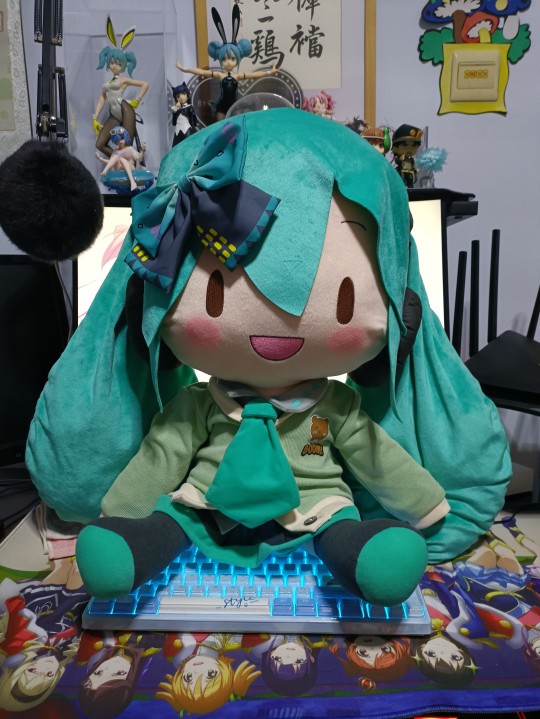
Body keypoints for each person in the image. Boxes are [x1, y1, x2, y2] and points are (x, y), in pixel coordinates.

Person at [176, 6, 277, 122]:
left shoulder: (237, 76)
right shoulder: (220, 75)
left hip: (235, 105)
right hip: (222, 106)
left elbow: (254, 75)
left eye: (232, 59)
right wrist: (185, 69)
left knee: (235, 125)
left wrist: (270, 72)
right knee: (221, 126)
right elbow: (202, 72)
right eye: (224, 59)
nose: (228, 62)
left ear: (238, 59)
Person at [93, 16, 149, 159]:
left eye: (118, 64)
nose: (114, 66)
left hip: (125, 111)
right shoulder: (107, 84)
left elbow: (145, 84)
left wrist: (137, 100)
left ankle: (131, 164)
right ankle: (119, 160)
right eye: (112, 63)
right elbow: (102, 99)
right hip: (114, 116)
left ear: (123, 65)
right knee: (100, 144)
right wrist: (95, 117)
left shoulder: (123, 80)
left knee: (128, 145)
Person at [96, 126, 146, 191]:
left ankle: (132, 182)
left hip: (131, 168)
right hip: (119, 170)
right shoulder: (115, 152)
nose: (120, 141)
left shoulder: (129, 149)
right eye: (117, 140)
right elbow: (111, 162)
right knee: (116, 157)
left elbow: (139, 158)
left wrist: (142, 150)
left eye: (122, 138)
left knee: (121, 159)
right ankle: (105, 171)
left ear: (125, 137)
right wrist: (101, 159)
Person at [171, 83, 198, 147]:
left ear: (187, 95)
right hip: (177, 131)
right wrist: (175, 112)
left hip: (187, 129)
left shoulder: (189, 107)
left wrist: (193, 130)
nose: (181, 97)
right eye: (178, 96)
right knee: (176, 148)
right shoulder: (176, 109)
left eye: (183, 94)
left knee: (189, 146)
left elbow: (193, 120)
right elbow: (174, 123)